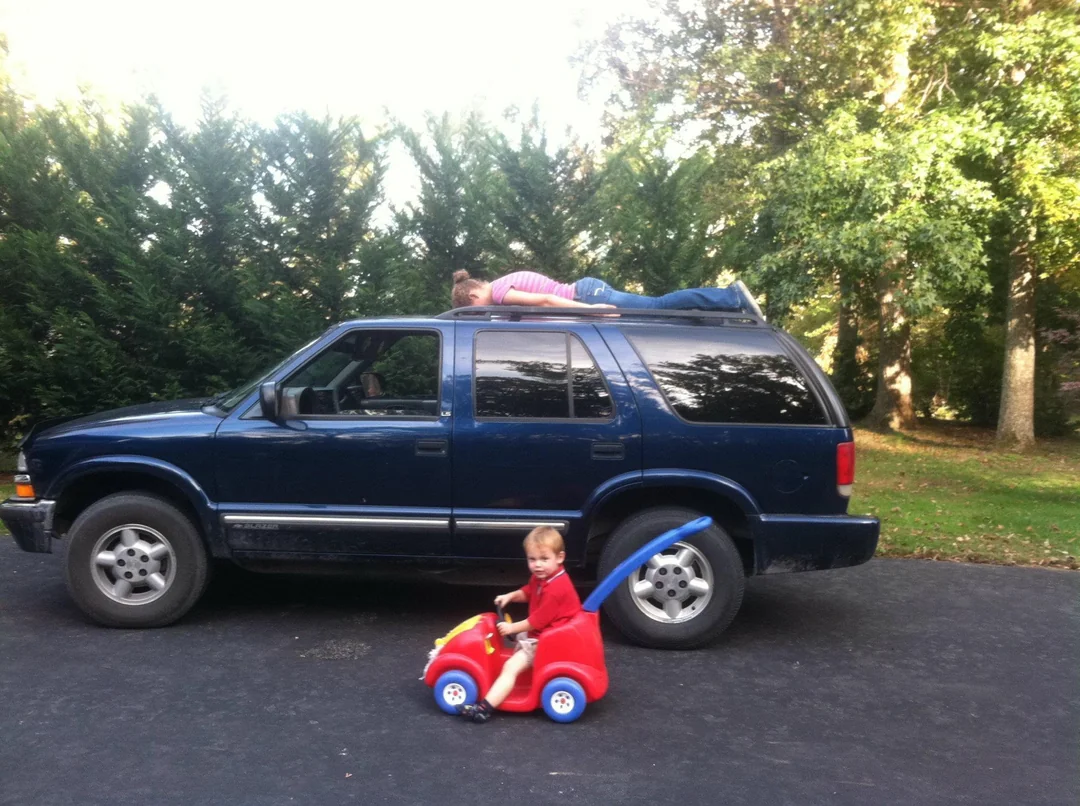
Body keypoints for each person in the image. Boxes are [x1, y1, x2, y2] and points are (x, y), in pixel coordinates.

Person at [457, 526, 581, 724]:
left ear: (560, 557)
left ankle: (484, 708)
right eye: (532, 559)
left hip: (548, 640)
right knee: (515, 642)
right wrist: (510, 596)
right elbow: (528, 592)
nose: (537, 565)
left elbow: (538, 620)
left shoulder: (557, 589)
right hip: (544, 633)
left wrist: (512, 628)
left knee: (510, 667)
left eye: (544, 559)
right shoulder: (544, 578)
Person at [450, 269, 757, 313]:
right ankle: (725, 307)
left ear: (474, 296)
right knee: (656, 312)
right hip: (586, 291)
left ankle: (731, 297)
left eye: (475, 309)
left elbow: (545, 300)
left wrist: (590, 311)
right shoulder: (505, 281)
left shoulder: (502, 293)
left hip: (587, 298)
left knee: (655, 307)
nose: (482, 312)